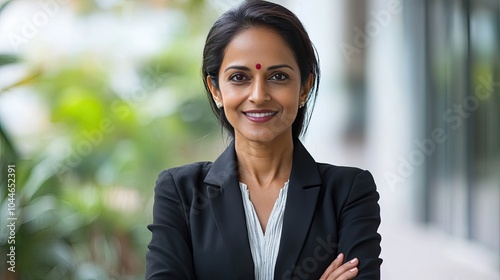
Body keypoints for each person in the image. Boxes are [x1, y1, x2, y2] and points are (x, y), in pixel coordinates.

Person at [146, 1, 382, 279]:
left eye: (278, 76)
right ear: (216, 90)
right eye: (239, 77)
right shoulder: (181, 193)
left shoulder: (348, 193)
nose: (258, 95)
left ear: (305, 86)